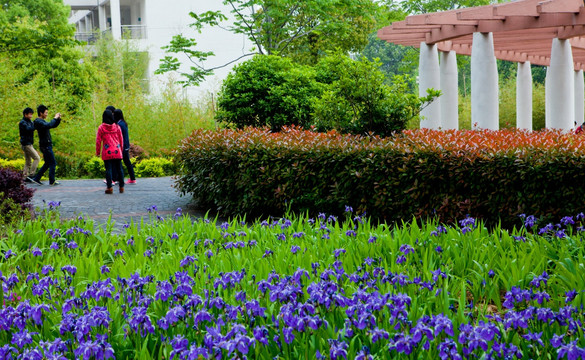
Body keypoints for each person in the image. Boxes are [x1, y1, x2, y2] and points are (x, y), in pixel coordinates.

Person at [30, 105, 61, 186]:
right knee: (53, 163)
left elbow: (53, 125)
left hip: (46, 145)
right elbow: (49, 125)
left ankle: (37, 178)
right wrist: (54, 118)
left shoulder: (42, 121)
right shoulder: (38, 122)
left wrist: (58, 119)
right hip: (45, 145)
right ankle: (52, 181)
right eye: (46, 112)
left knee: (47, 163)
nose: (47, 114)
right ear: (41, 113)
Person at [96, 109, 125, 194]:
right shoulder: (117, 126)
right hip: (117, 150)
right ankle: (121, 187)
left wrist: (97, 152)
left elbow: (98, 141)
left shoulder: (101, 127)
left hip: (107, 151)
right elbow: (121, 139)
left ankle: (109, 187)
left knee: (108, 169)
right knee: (120, 169)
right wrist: (121, 149)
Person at [113, 109, 136, 184]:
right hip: (126, 146)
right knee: (127, 162)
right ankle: (132, 178)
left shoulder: (119, 125)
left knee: (118, 163)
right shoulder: (123, 123)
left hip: (122, 146)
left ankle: (117, 179)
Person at [19, 107, 40, 183]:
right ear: (25, 114)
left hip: (29, 143)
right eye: (30, 114)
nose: (31, 116)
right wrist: (34, 125)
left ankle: (24, 177)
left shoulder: (30, 122)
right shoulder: (23, 122)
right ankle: (32, 175)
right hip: (26, 144)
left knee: (28, 162)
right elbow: (28, 129)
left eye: (32, 114)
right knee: (37, 158)